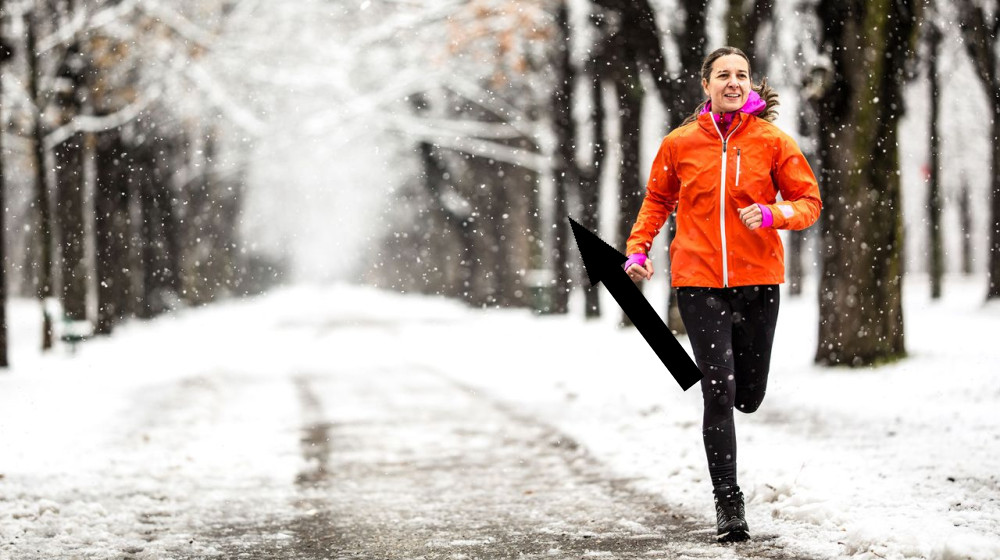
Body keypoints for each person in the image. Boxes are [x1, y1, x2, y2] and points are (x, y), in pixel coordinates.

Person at [622, 46, 822, 541]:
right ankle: (728, 501)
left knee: (748, 396)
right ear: (706, 85)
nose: (734, 82)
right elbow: (657, 200)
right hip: (699, 282)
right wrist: (638, 250)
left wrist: (775, 215)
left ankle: (740, 407)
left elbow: (809, 202)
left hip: (758, 283)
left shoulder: (773, 142)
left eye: (742, 75)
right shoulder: (680, 143)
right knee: (718, 387)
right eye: (724, 75)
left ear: (751, 84)